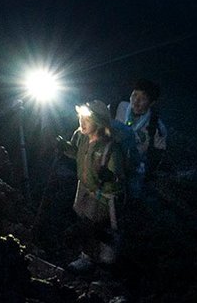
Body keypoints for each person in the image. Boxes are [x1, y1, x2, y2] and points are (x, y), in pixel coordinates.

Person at [61, 99, 127, 274]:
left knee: (91, 223)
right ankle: (97, 253)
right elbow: (78, 155)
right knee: (84, 218)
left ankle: (96, 258)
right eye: (80, 118)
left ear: (98, 122)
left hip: (104, 194)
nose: (82, 123)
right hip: (85, 188)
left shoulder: (109, 148)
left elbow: (119, 177)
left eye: (87, 119)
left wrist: (110, 177)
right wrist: (64, 148)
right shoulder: (81, 137)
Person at [115, 79, 167, 201]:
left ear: (152, 102)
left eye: (143, 98)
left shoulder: (157, 128)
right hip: (111, 163)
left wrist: (144, 170)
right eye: (134, 95)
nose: (136, 102)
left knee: (132, 197)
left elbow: (157, 155)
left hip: (134, 170)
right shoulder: (116, 108)